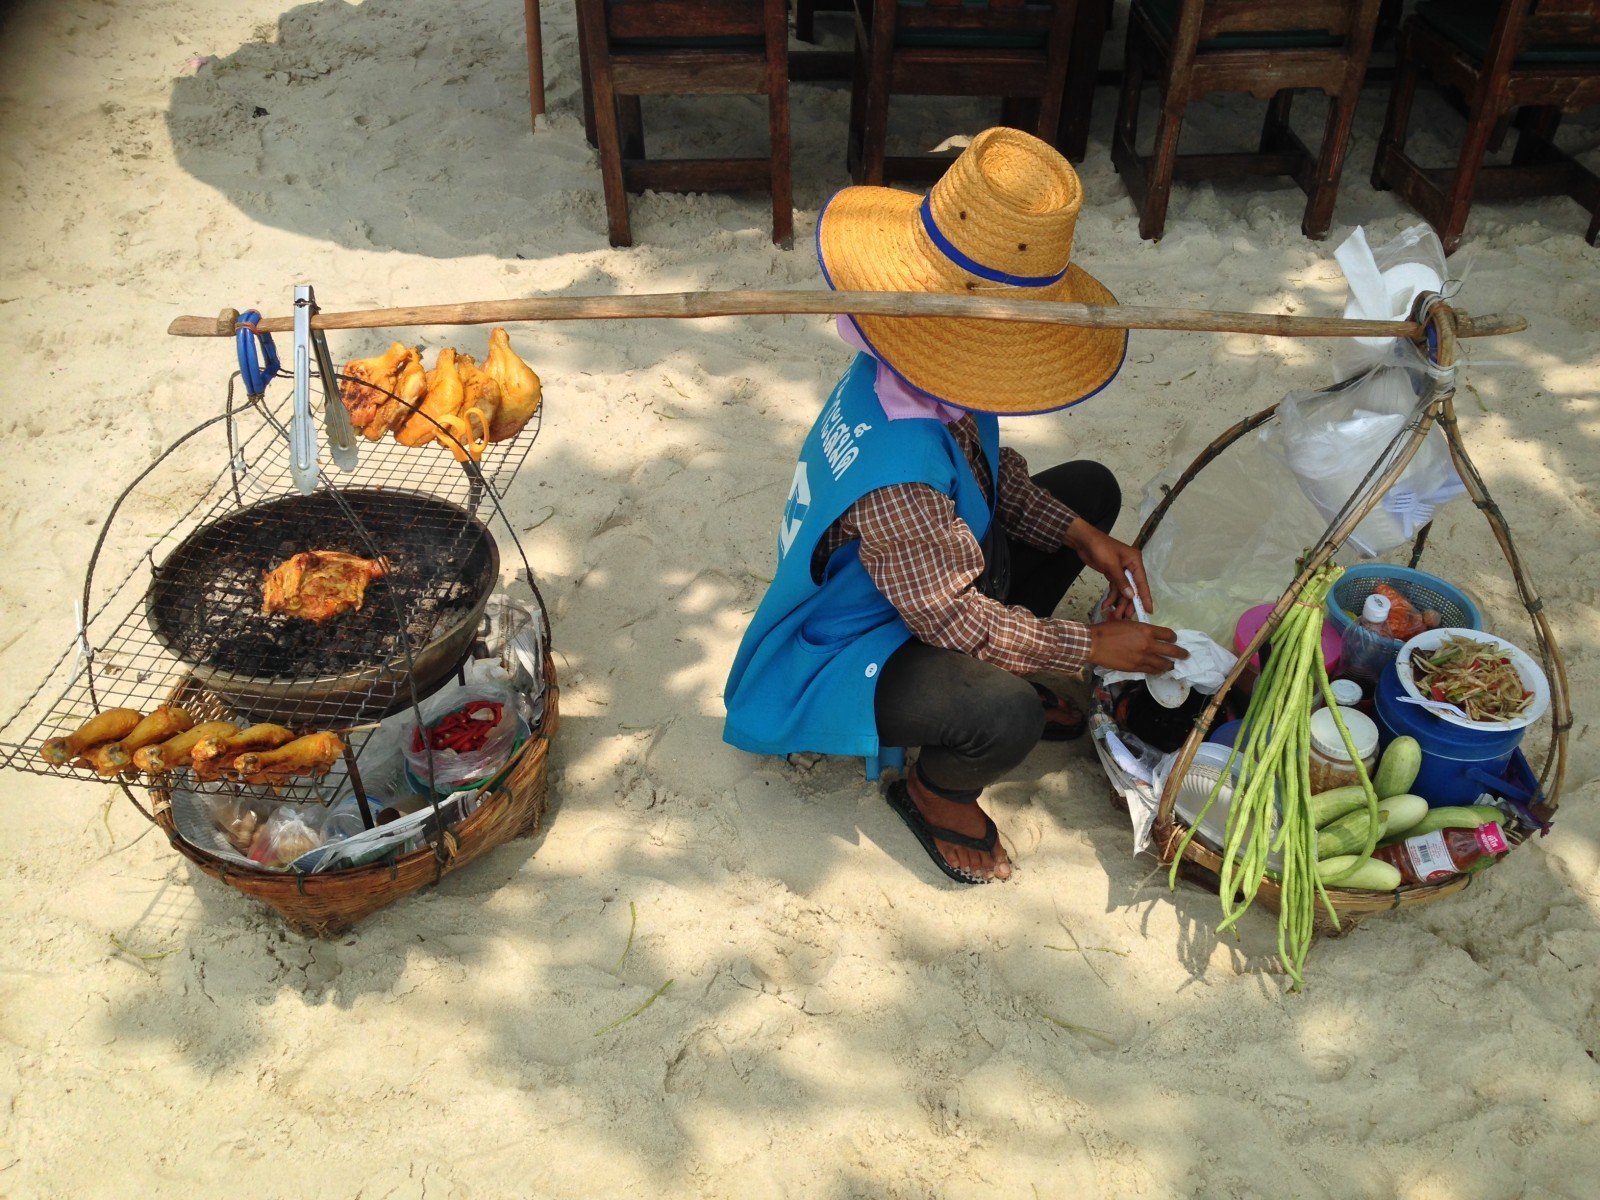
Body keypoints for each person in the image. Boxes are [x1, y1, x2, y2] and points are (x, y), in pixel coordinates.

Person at [723, 128, 1186, 885]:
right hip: (858, 643)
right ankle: (936, 791)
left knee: (1089, 491)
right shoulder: (899, 480)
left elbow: (986, 470)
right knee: (1009, 716)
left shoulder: (910, 372)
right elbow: (953, 621)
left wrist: (1081, 536)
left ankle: (1013, 659)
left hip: (924, 578)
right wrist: (1088, 649)